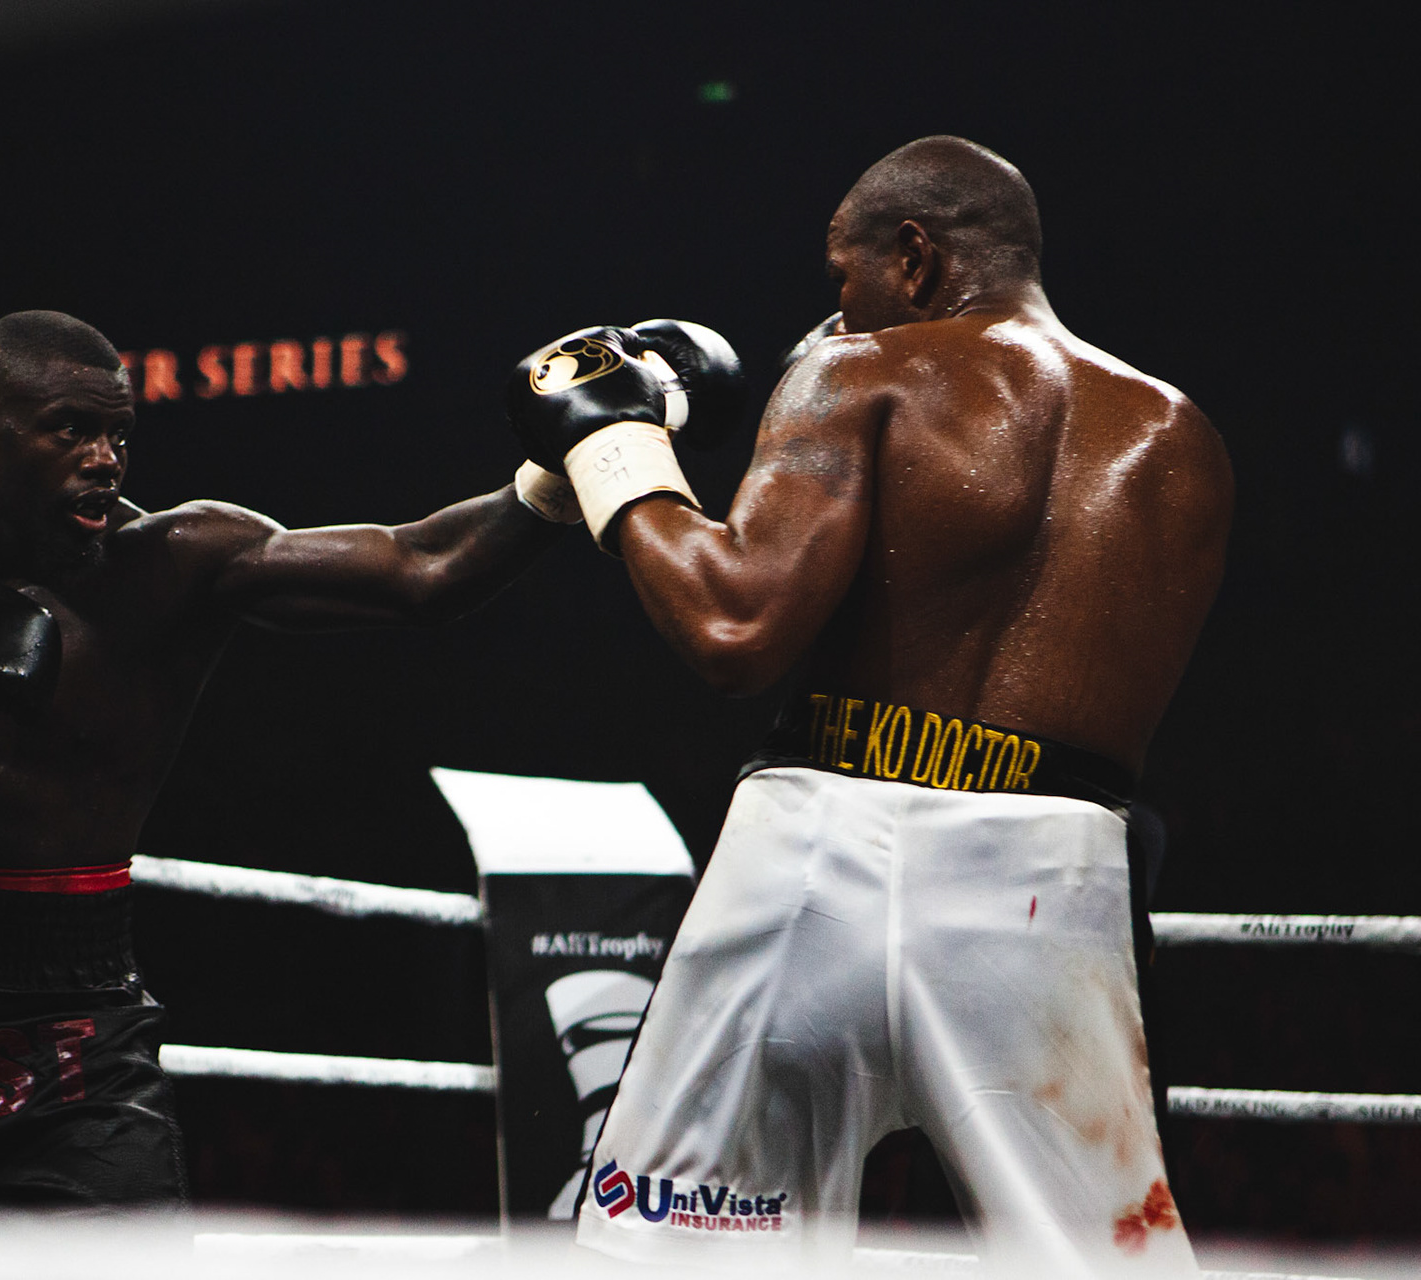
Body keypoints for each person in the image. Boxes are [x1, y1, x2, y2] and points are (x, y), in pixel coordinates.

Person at [0, 309, 610, 1205]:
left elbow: (418, 570)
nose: (104, 459)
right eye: (70, 430)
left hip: (69, 1011)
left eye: (118, 435)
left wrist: (563, 468)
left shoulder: (172, 563)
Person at [508, 138, 1232, 1274]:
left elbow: (733, 626)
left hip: (820, 856)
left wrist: (615, 448)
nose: (837, 309)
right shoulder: (1180, 440)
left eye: (844, 277)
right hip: (1052, 884)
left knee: (671, 1251)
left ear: (915, 257)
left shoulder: (861, 373)